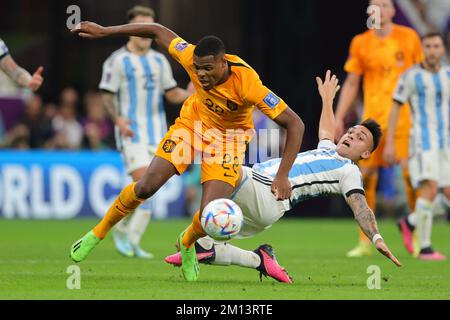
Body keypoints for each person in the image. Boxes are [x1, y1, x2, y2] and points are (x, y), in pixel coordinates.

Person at [69, 19, 304, 282]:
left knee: (207, 216)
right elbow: (155, 30)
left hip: (228, 142)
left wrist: (283, 175)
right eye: (198, 69)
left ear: (223, 63)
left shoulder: (248, 84)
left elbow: (295, 124)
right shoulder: (189, 55)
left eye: (208, 69)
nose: (201, 74)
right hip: (191, 128)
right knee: (145, 186)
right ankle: (97, 233)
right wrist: (106, 31)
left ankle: (188, 242)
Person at [165, 71, 402, 283]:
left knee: (223, 164)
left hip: (267, 192)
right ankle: (259, 259)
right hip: (262, 199)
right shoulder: (329, 150)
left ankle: (189, 234)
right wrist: (328, 100)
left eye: (360, 138)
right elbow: (327, 131)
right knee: (201, 240)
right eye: (352, 131)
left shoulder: (349, 172)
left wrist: (376, 237)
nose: (351, 135)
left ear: (367, 153)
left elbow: (360, 207)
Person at [98, 6, 192, 258]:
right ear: (131, 29)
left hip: (158, 133)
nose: (144, 34)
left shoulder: (159, 60)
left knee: (150, 189)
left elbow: (172, 93)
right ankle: (128, 240)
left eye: (149, 29)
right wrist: (118, 119)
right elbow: (107, 94)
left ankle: (123, 232)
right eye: (141, 28)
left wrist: (190, 94)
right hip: (131, 133)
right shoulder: (118, 61)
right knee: (143, 185)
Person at [334, 0, 424, 257]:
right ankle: (365, 239)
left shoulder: (409, 38)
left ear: (393, 11)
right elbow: (352, 83)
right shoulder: (361, 43)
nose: (379, 10)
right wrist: (340, 116)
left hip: (404, 120)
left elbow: (418, 79)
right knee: (365, 178)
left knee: (410, 177)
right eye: (374, 5)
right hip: (372, 124)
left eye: (384, 5)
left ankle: (415, 235)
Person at [384, 32, 449, 261]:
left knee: (447, 194)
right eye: (428, 46)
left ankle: (409, 222)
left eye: (436, 46)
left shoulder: (448, 74)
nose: (432, 50)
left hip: (446, 144)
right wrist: (390, 141)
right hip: (423, 142)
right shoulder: (411, 76)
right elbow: (395, 108)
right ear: (423, 49)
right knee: (429, 188)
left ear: (443, 49)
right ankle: (426, 248)